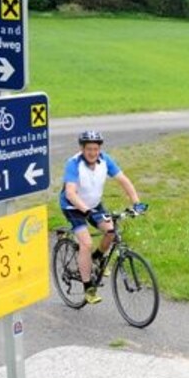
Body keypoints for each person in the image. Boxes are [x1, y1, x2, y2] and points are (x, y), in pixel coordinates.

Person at [59, 130, 143, 305]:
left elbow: (123, 180)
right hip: (73, 206)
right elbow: (70, 192)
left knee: (111, 231)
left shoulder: (105, 160)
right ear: (82, 148)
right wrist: (86, 211)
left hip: (94, 204)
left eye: (96, 148)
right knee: (86, 243)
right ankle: (88, 287)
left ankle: (96, 259)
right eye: (89, 148)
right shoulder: (73, 164)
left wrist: (136, 203)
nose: (92, 152)